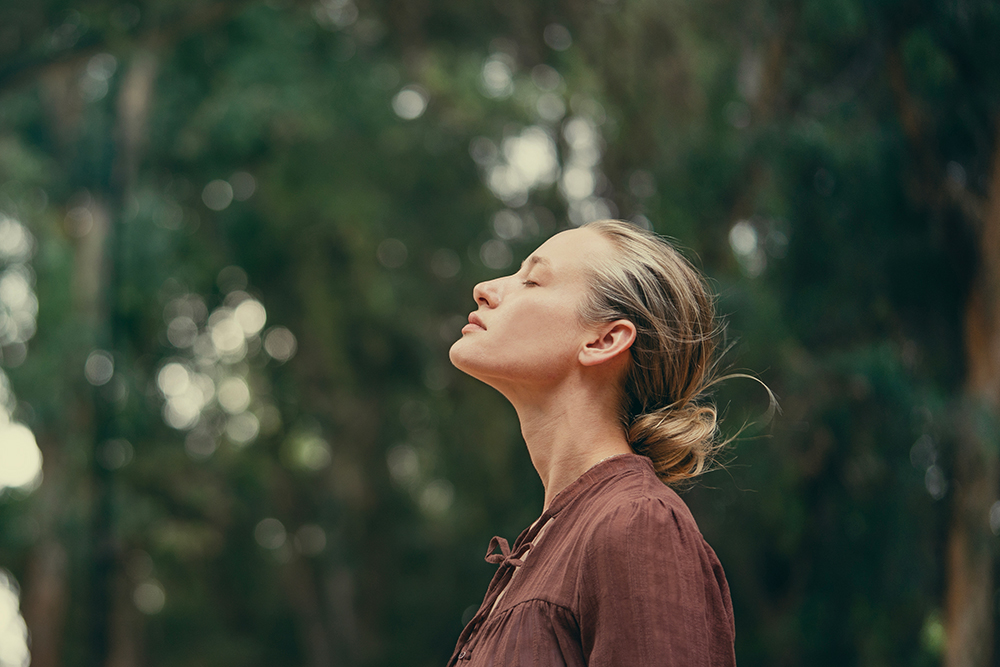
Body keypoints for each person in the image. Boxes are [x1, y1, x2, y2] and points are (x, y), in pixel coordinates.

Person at [446, 219, 738, 666]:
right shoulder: (549, 543)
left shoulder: (639, 524)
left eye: (533, 279)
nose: (485, 288)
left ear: (604, 340)